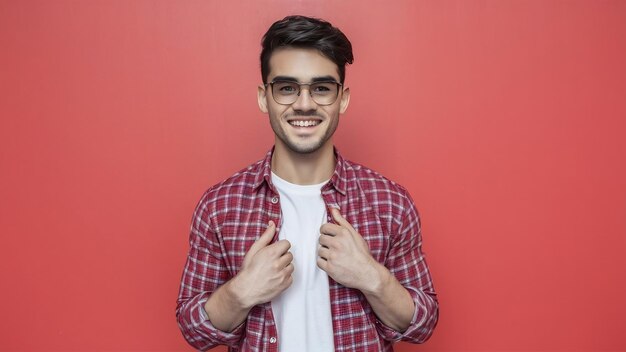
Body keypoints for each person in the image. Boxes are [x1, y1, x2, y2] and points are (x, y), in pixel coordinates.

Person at [176, 15, 438, 352]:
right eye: (286, 88)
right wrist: (241, 292)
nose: (304, 103)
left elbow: (423, 324)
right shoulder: (220, 205)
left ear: (342, 98)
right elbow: (193, 329)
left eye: (321, 88)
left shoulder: (389, 201)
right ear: (263, 97)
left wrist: (372, 277)